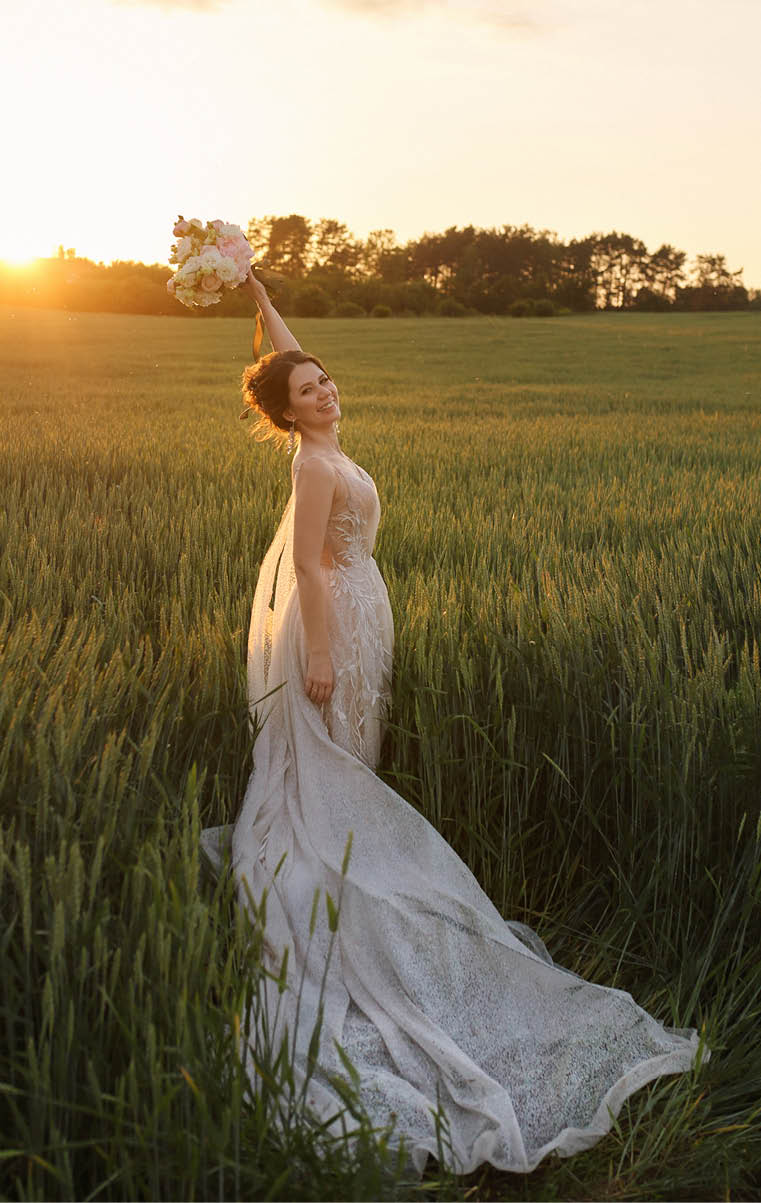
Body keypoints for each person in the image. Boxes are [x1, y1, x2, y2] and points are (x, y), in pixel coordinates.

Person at [200, 268, 710, 1179]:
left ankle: (339, 862)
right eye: (310, 386)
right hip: (332, 625)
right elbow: (312, 571)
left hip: (357, 612)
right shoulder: (313, 462)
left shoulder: (316, 427)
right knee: (335, 771)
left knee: (345, 766)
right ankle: (338, 896)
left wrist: (254, 288)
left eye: (327, 378)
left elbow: (284, 357)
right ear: (291, 411)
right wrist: (319, 657)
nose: (327, 386)